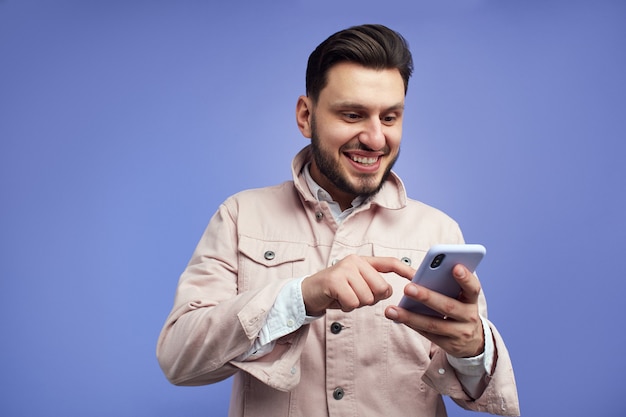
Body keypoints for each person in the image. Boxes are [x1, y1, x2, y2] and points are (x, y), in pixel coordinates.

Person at [157, 24, 520, 417]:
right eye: (353, 114)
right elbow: (179, 359)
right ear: (305, 115)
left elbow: (479, 394)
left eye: (390, 117)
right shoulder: (240, 216)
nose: (376, 139)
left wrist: (473, 350)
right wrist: (301, 296)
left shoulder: (438, 231)